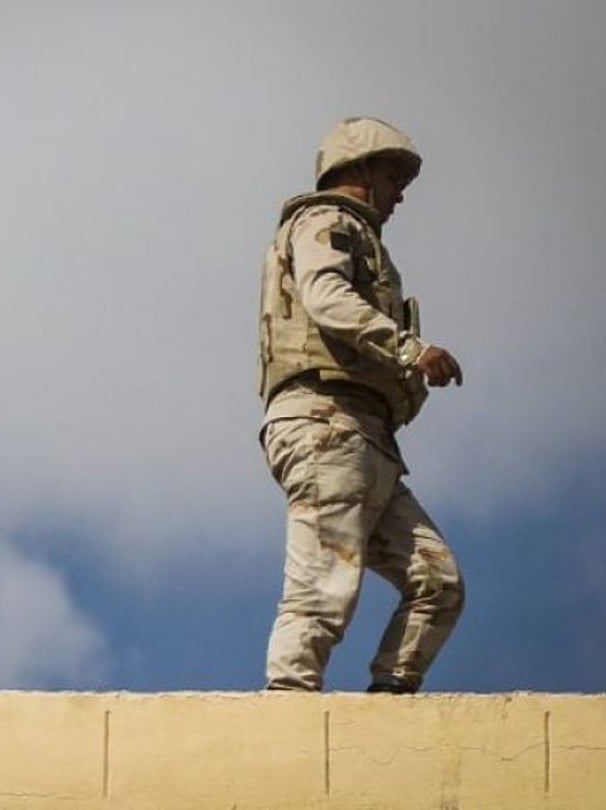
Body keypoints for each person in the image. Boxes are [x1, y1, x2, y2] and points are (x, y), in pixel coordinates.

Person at [257, 117, 465, 693]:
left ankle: (387, 704)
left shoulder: (361, 237)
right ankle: (289, 710)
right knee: (322, 589)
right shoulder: (327, 221)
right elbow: (327, 297)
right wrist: (410, 348)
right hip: (327, 423)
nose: (400, 194)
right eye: (394, 176)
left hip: (366, 437)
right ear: (361, 169)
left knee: (437, 583)